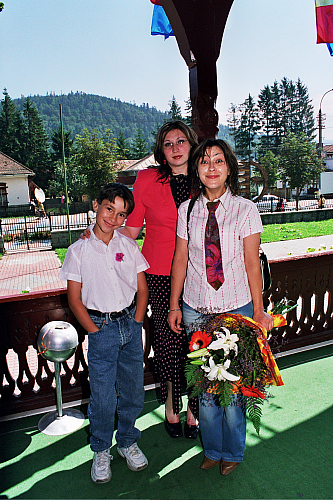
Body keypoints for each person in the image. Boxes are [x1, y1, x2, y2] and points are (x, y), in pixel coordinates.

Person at [80, 121, 199, 439]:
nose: (175, 148)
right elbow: (129, 233)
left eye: (181, 141)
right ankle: (173, 409)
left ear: (192, 144)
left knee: (199, 341)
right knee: (170, 342)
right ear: (161, 149)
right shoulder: (146, 179)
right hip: (160, 273)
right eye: (168, 143)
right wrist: (96, 232)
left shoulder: (206, 177)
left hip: (200, 274)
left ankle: (195, 412)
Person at [168, 138, 274, 475]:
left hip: (236, 311)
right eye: (204, 162)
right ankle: (212, 448)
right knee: (207, 390)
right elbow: (180, 259)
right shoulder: (186, 211)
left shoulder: (246, 209)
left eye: (218, 161)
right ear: (197, 171)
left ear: (228, 167)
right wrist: (173, 306)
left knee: (233, 391)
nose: (211, 167)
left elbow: (251, 263)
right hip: (196, 310)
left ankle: (233, 452)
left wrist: (258, 312)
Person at [59, 183, 149, 484]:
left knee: (134, 390)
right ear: (97, 205)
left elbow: (141, 288)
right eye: (109, 208)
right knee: (103, 397)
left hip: (130, 327)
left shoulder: (128, 246)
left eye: (121, 214)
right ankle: (101, 449)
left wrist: (136, 321)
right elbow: (74, 299)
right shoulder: (78, 250)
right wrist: (95, 331)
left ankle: (126, 440)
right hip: (102, 330)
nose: (113, 218)